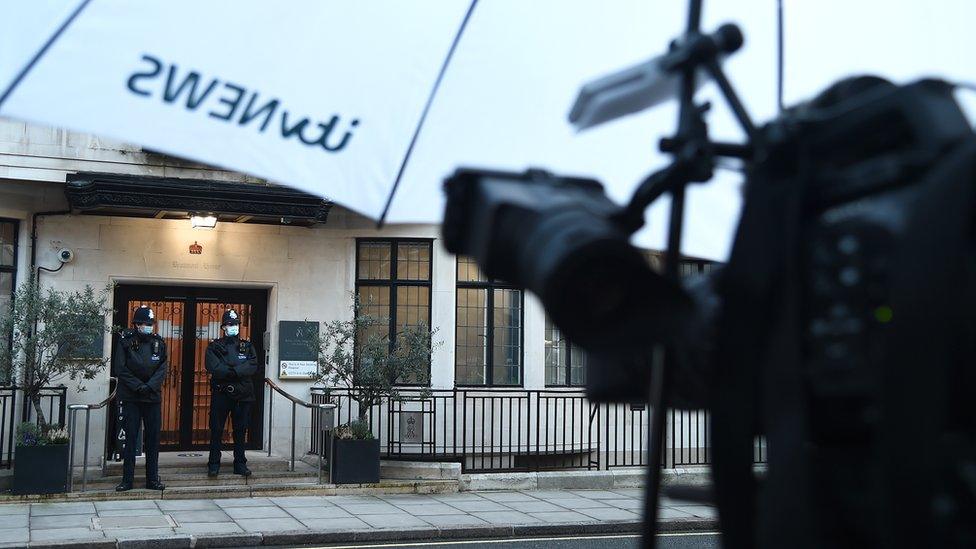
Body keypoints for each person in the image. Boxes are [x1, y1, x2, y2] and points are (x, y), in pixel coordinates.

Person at [112, 305, 167, 491]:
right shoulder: (125, 341)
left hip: (152, 398)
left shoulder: (159, 343)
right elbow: (120, 368)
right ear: (136, 324)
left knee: (153, 440)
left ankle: (152, 479)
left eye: (150, 323)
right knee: (131, 439)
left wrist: (149, 386)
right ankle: (127, 480)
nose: (148, 326)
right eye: (144, 323)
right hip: (131, 397)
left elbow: (162, 368)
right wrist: (138, 386)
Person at [205, 309, 258, 477]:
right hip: (222, 394)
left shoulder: (247, 346)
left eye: (235, 324)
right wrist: (235, 372)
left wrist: (232, 372)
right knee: (216, 430)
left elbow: (252, 365)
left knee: (240, 430)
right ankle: (214, 463)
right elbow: (213, 367)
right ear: (223, 327)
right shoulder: (215, 346)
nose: (233, 327)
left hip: (243, 396)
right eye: (229, 324)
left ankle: (240, 464)